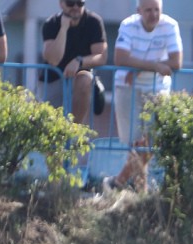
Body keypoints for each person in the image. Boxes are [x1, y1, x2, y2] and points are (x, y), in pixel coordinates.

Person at [105, 0, 182, 192]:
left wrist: (138, 67)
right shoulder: (127, 25)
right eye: (148, 10)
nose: (153, 14)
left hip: (158, 89)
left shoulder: (170, 25)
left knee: (152, 140)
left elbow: (176, 62)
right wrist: (155, 66)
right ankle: (141, 193)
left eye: (157, 10)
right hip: (126, 87)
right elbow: (120, 58)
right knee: (135, 143)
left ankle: (118, 183)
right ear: (139, 11)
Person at [40, 0, 107, 126]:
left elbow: (101, 56)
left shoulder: (94, 22)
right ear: (61, 4)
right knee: (49, 128)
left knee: (85, 78)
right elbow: (53, 60)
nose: (76, 7)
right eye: (70, 3)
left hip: (80, 80)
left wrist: (79, 61)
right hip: (53, 79)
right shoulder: (51, 23)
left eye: (80, 3)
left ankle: (74, 132)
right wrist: (64, 28)